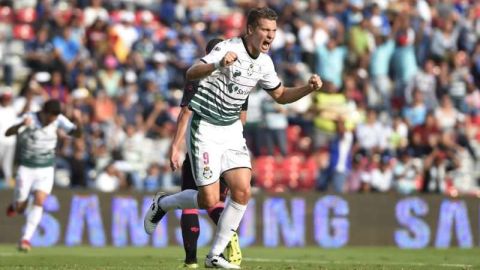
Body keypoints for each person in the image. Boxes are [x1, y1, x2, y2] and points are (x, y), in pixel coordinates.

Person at [144, 7, 323, 269]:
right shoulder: (227, 48)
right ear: (250, 29)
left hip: (230, 130)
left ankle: (214, 255)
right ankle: (163, 203)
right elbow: (191, 73)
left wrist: (308, 88)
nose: (271, 36)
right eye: (265, 29)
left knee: (242, 190)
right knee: (209, 200)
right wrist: (218, 64)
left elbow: (281, 95)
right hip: (205, 128)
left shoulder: (264, 62)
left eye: (274, 31)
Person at [169, 38, 247, 268]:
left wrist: (175, 146)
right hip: (230, 146)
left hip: (204, 142)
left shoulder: (199, 75)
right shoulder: (241, 76)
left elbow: (185, 113)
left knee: (193, 197)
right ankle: (228, 234)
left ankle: (191, 260)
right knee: (217, 200)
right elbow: (241, 117)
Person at [5, 99, 82, 252]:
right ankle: (16, 205)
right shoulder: (30, 117)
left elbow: (77, 134)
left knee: (40, 200)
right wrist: (21, 125)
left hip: (46, 169)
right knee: (21, 207)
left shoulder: (59, 119)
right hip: (26, 168)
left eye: (54, 119)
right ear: (44, 112)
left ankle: (25, 239)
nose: (51, 122)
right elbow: (8, 133)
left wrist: (78, 120)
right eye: (49, 118)